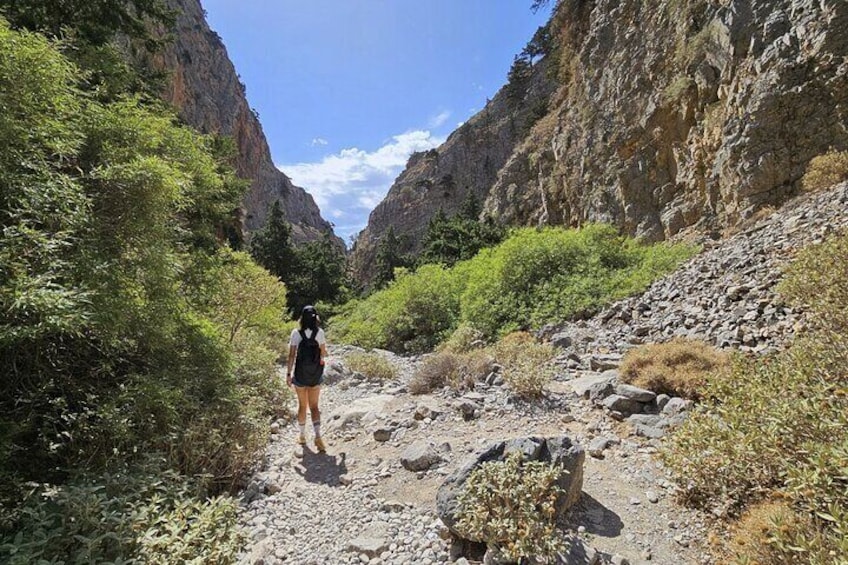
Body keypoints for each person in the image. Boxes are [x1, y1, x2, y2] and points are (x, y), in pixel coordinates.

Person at [286, 305, 328, 452]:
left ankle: (302, 436)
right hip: (315, 374)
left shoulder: (295, 333)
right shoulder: (320, 332)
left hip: (300, 375)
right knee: (315, 406)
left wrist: (288, 374)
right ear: (316, 317)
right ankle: (318, 436)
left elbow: (291, 355)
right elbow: (323, 352)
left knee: (302, 406)